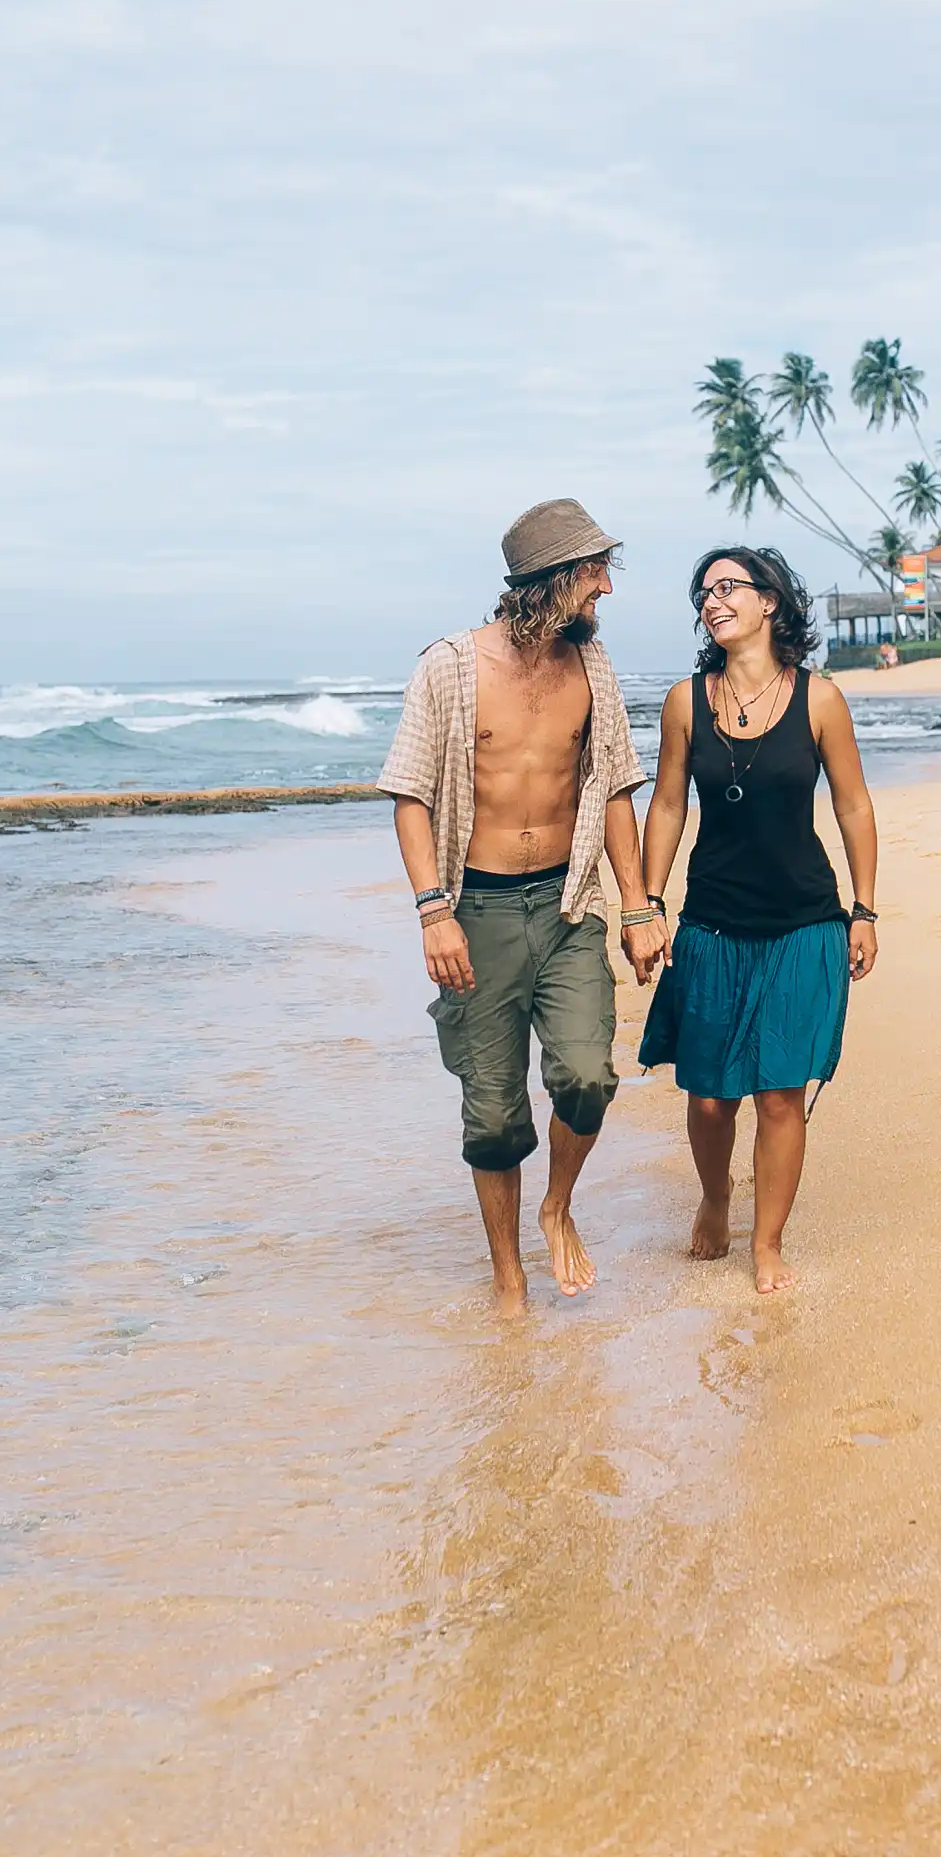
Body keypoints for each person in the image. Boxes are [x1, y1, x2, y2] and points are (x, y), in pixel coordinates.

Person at [377, 499, 667, 1312]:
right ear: (551, 580)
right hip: (476, 912)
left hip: (570, 905)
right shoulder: (450, 667)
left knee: (586, 1077)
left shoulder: (592, 670)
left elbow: (611, 789)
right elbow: (409, 795)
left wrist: (639, 910)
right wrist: (433, 911)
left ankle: (557, 1206)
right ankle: (508, 1276)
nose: (606, 587)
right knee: (495, 1111)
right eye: (594, 572)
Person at [636, 546, 879, 1294]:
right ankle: (716, 1197)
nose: (712, 600)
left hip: (805, 920)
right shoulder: (686, 701)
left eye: (728, 587)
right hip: (711, 920)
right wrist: (648, 904)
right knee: (710, 1097)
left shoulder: (820, 700)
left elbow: (852, 805)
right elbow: (669, 803)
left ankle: (767, 1243)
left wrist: (864, 908)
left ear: (770, 601)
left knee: (779, 1092)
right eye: (703, 592)